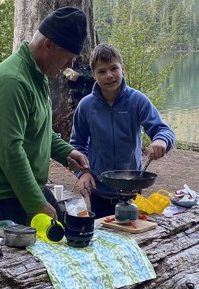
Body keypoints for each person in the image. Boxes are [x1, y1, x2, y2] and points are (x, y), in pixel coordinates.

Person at [0, 6, 91, 226]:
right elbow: (10, 150)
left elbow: (39, 130)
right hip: (3, 199)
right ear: (49, 45)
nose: (69, 67)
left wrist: (66, 152)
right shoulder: (12, 81)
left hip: (25, 191)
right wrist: (37, 203)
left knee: (64, 237)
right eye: (67, 58)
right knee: (25, 260)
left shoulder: (37, 75)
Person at [70, 43, 175, 218]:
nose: (109, 75)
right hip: (99, 191)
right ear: (94, 75)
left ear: (122, 69)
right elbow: (77, 144)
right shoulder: (86, 106)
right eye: (102, 71)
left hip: (132, 190)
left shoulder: (137, 100)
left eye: (114, 68)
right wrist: (82, 173)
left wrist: (161, 141)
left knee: (136, 239)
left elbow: (163, 130)